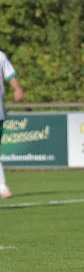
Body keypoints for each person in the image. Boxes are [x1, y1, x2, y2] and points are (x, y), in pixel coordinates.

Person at [0, 50, 24, 199]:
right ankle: (2, 186)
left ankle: (2, 186)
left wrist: (17, 88)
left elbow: (10, 74)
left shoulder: (0, 56)